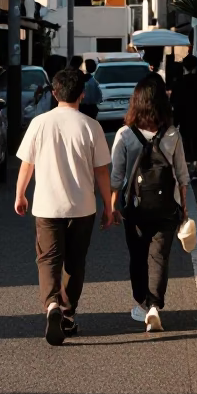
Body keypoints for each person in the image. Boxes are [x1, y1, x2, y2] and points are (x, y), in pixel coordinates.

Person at [14, 67, 116, 346]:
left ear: (54, 93)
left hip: (47, 206)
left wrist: (20, 194)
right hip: (82, 206)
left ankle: (51, 306)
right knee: (74, 262)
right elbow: (102, 172)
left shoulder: (39, 123)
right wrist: (108, 206)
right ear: (82, 94)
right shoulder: (91, 126)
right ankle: (68, 315)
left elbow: (27, 164)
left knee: (48, 258)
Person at [110, 76, 189, 332]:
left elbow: (116, 177)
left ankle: (142, 304)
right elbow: (181, 174)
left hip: (136, 207)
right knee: (159, 257)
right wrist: (184, 208)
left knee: (137, 255)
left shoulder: (125, 134)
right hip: (166, 205)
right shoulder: (173, 134)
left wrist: (112, 206)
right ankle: (155, 305)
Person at [170, 54, 197, 184]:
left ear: (184, 67)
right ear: (196, 66)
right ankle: (196, 171)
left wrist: (174, 121)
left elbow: (174, 102)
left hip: (184, 119)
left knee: (186, 145)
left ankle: (189, 171)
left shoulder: (179, 83)